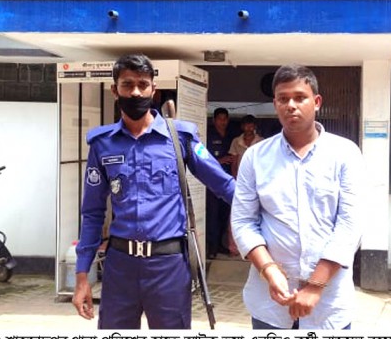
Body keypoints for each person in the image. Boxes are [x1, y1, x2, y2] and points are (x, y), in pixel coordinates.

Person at [72, 54, 235, 329]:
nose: (136, 92)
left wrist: (264, 225)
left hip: (168, 265)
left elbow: (225, 186)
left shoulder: (180, 138)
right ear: (115, 90)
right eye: (127, 85)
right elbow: (92, 213)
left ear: (153, 89)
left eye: (142, 84)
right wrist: (81, 276)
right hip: (120, 266)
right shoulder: (102, 144)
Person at [230, 64, 364, 330]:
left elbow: (350, 225)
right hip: (270, 303)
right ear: (275, 104)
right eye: (283, 99)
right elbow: (243, 222)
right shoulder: (256, 157)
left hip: (328, 305)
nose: (291, 105)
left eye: (300, 97)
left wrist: (315, 286)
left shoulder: (345, 154)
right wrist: (269, 270)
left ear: (317, 102)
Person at [206, 107, 236, 259]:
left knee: (224, 214)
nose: (222, 122)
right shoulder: (208, 135)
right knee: (212, 215)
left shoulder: (232, 136)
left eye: (225, 119)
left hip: (228, 181)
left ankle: (219, 245)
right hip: (212, 182)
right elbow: (202, 159)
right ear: (214, 120)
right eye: (220, 119)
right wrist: (220, 160)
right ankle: (211, 248)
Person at [229, 114, 264, 179]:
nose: (249, 129)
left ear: (255, 127)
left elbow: (264, 161)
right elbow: (234, 163)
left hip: (256, 177)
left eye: (251, 126)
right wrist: (234, 178)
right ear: (242, 127)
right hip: (241, 177)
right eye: (246, 126)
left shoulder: (261, 141)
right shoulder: (236, 141)